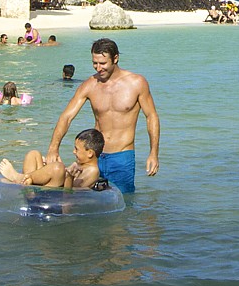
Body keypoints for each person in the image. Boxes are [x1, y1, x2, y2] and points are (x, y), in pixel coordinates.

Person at [45, 38, 159, 193]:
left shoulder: (136, 83)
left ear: (116, 58)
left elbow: (151, 116)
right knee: (81, 199)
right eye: (94, 63)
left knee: (124, 203)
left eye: (103, 63)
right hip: (93, 157)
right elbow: (66, 117)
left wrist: (153, 153)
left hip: (122, 156)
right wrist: (53, 148)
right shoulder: (89, 85)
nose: (98, 68)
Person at [1, 128, 104, 189]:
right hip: (47, 190)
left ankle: (19, 178)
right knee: (34, 155)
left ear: (90, 153)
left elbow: (70, 193)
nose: (73, 152)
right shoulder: (82, 165)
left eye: (76, 149)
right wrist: (49, 167)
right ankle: (28, 185)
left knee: (57, 168)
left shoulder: (93, 171)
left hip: (54, 198)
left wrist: (66, 174)